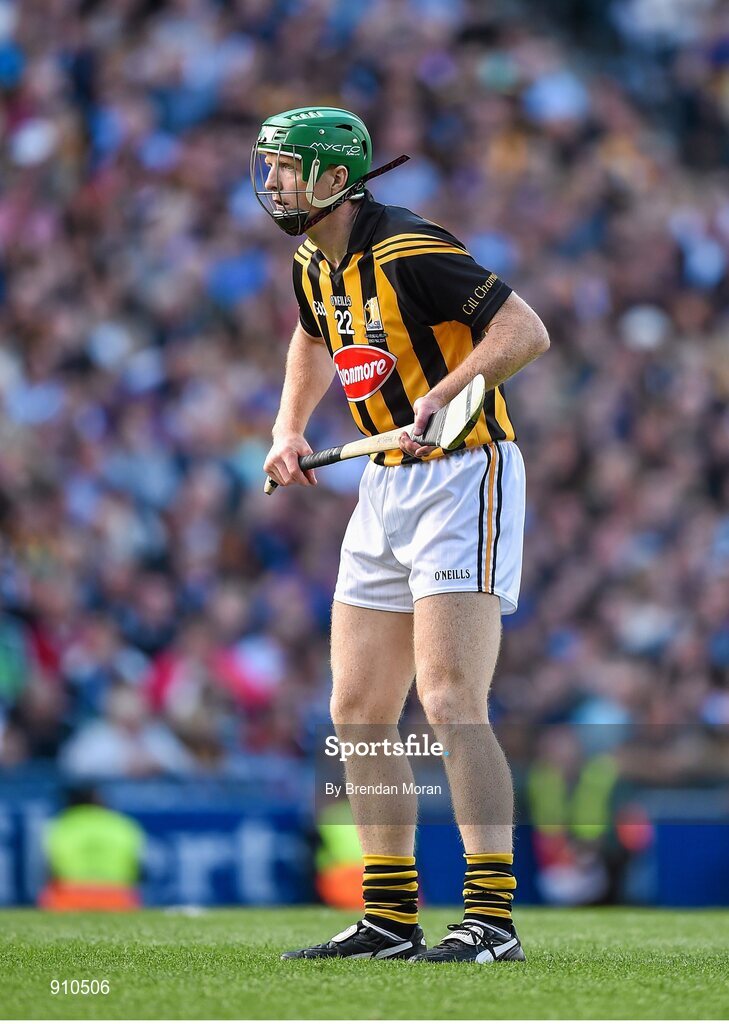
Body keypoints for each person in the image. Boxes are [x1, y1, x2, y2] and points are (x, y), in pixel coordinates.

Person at [253, 107, 549, 963]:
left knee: (450, 700)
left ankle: (491, 919)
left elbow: (523, 329)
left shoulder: (410, 249)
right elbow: (311, 342)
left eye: (284, 168)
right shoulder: (314, 260)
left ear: (334, 179)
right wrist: (288, 429)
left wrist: (446, 390)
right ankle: (387, 917)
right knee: (356, 709)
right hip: (384, 483)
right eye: (266, 167)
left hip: (467, 472)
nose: (269, 183)